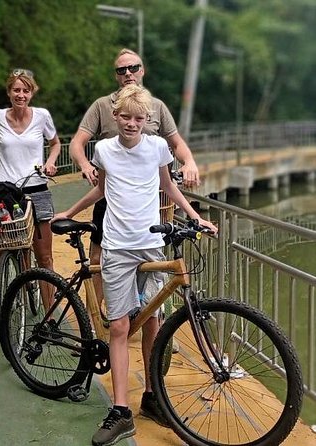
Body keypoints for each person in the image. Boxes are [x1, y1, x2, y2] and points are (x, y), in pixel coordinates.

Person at [52, 85, 216, 446]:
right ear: (116, 117)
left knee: (154, 320)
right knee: (120, 327)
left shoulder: (158, 148)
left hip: (151, 246)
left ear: (148, 121)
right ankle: (121, 411)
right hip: (116, 247)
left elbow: (168, 189)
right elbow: (101, 191)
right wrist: (71, 212)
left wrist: (196, 217)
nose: (131, 123)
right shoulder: (104, 149)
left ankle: (154, 397)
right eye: (125, 117)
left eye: (138, 118)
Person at [69, 48, 200, 314]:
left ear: (142, 70)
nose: (128, 73)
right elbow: (77, 142)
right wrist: (85, 165)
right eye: (121, 70)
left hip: (152, 201)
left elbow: (176, 143)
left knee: (157, 263)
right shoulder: (102, 106)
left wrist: (190, 162)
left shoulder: (156, 106)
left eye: (133, 68)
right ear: (116, 75)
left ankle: (158, 325)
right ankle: (97, 317)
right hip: (112, 194)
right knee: (98, 259)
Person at [0, 68, 62, 346]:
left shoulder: (42, 116)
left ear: (32, 93)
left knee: (44, 258)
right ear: (9, 92)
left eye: (26, 90)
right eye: (16, 90)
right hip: (4, 192)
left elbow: (55, 144)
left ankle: (50, 318)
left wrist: (51, 162)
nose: (21, 95)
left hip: (37, 188)